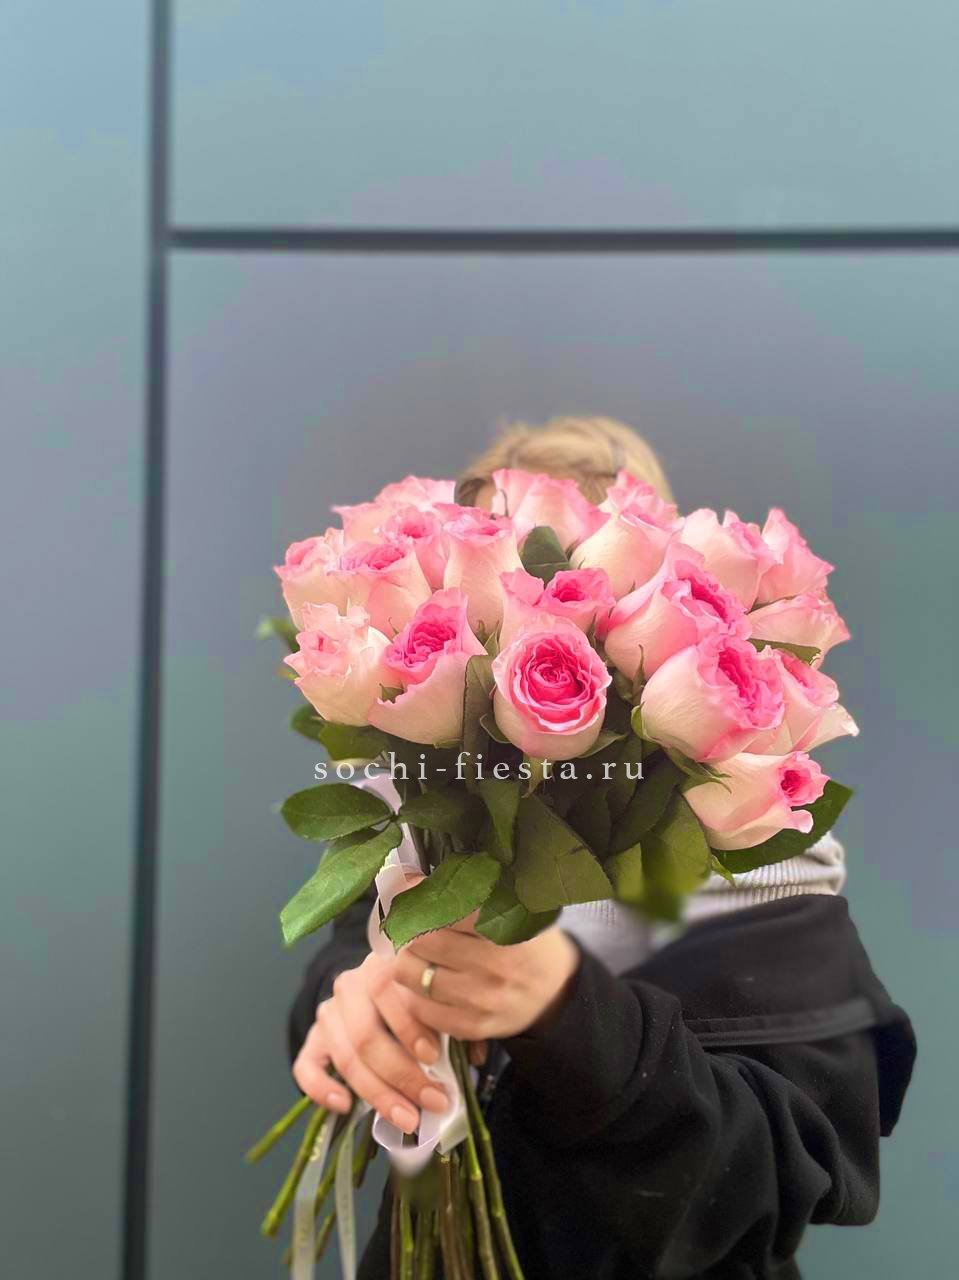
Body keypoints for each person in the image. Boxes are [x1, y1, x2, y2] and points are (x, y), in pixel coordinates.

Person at [287, 416, 916, 1279]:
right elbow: (341, 962)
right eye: (494, 575)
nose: (533, 608)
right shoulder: (415, 804)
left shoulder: (763, 835)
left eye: (567, 579)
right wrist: (357, 1003)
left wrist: (566, 1008)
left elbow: (780, 1176)